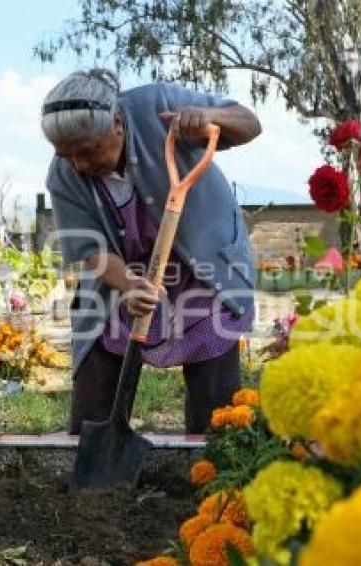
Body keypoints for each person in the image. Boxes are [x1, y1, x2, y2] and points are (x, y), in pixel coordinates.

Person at [41, 69, 261, 434]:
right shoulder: (64, 175)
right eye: (68, 156)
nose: (80, 165)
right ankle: (96, 474)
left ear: (116, 123)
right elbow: (91, 250)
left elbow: (249, 123)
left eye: (88, 151)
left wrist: (208, 118)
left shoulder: (157, 106)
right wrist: (129, 286)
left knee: (216, 400)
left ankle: (215, 471)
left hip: (202, 269)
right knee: (95, 387)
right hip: (121, 277)